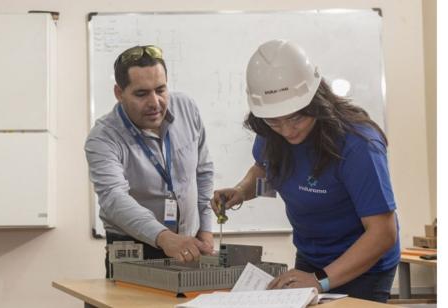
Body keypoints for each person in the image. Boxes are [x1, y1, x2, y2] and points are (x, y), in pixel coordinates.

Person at [211, 40, 400, 302]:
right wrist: (242, 191)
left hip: (365, 266)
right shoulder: (271, 133)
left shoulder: (358, 146)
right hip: (311, 258)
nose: (287, 131)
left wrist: (320, 280)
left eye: (296, 118)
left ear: (317, 101)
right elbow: (268, 172)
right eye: (274, 121)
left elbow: (383, 233)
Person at [85, 45, 215, 278]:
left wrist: (205, 230)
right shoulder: (103, 137)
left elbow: (203, 172)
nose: (155, 102)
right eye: (141, 94)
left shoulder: (186, 108)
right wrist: (164, 238)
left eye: (161, 90)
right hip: (134, 250)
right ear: (119, 92)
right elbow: (114, 198)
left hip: (188, 245)